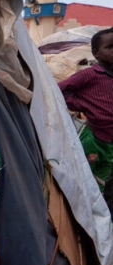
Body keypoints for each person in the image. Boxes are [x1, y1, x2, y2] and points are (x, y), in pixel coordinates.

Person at [59, 27, 113, 212]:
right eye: (110, 47)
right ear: (96, 53)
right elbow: (58, 90)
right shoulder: (90, 74)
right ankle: (82, 217)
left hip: (109, 142)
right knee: (86, 180)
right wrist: (82, 104)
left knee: (103, 181)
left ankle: (101, 218)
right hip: (95, 138)